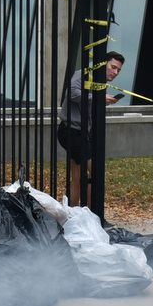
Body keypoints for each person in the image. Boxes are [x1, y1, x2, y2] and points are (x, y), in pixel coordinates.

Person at [60, 51, 125, 207]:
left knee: (77, 176)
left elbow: (89, 106)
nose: (115, 72)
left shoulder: (99, 83)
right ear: (103, 64)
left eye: (119, 70)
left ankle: (73, 214)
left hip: (80, 133)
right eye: (113, 67)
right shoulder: (83, 74)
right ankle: (93, 214)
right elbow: (72, 94)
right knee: (95, 173)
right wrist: (99, 97)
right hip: (71, 131)